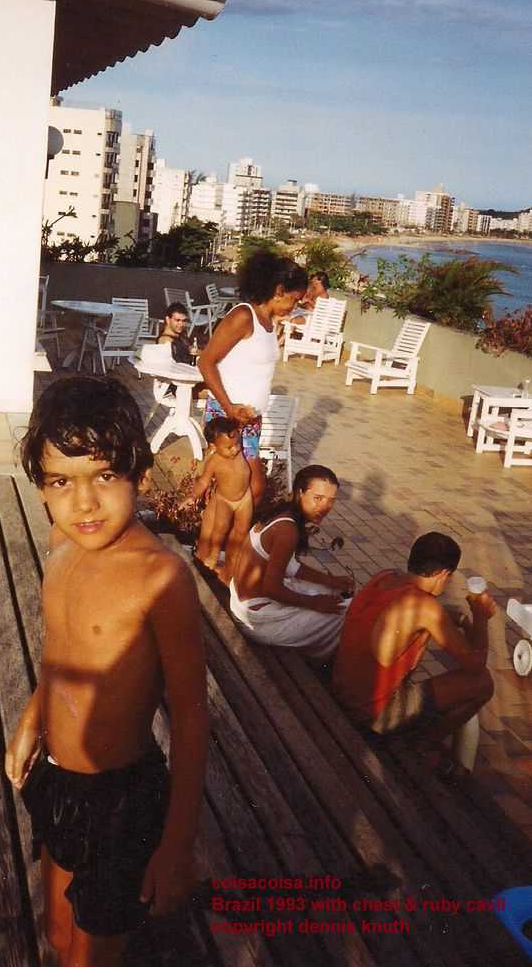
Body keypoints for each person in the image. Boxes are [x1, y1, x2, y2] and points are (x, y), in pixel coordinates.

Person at [5, 376, 208, 967]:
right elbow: (58, 653)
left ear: (140, 475)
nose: (84, 503)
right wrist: (29, 721)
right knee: (58, 934)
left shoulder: (161, 579)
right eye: (62, 482)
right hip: (58, 779)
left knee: (91, 957)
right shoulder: (60, 545)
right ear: (42, 489)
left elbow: (193, 717)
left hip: (121, 801)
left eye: (105, 476)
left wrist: (176, 846)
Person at [332, 532, 495, 774]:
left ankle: (419, 736)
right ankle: (423, 746)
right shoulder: (425, 607)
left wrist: (459, 619)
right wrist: (481, 618)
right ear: (443, 575)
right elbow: (476, 663)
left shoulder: (385, 577)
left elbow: (415, 613)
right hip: (372, 714)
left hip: (342, 691)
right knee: (482, 684)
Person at [197, 249, 306, 506]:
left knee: (251, 491)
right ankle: (207, 539)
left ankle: (227, 541)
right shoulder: (243, 316)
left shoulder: (268, 324)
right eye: (295, 299)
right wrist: (229, 407)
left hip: (251, 418)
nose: (295, 306)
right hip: (227, 417)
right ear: (279, 290)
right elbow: (206, 362)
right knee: (232, 487)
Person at [229, 465, 352, 657]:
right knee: (344, 611)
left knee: (333, 592)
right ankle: (324, 662)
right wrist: (314, 603)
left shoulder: (283, 512)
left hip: (243, 603)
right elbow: (272, 588)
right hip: (255, 620)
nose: (324, 507)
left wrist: (331, 581)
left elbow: (289, 566)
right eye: (318, 498)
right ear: (300, 492)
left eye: (331, 501)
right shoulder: (288, 530)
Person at [180, 416, 253, 584]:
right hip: (225, 500)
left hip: (245, 498)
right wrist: (192, 496)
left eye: (237, 444)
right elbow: (204, 481)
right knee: (220, 529)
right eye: (228, 447)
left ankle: (233, 559)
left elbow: (241, 425)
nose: (234, 450)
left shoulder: (238, 450)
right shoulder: (214, 461)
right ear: (213, 446)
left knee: (242, 530)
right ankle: (213, 556)